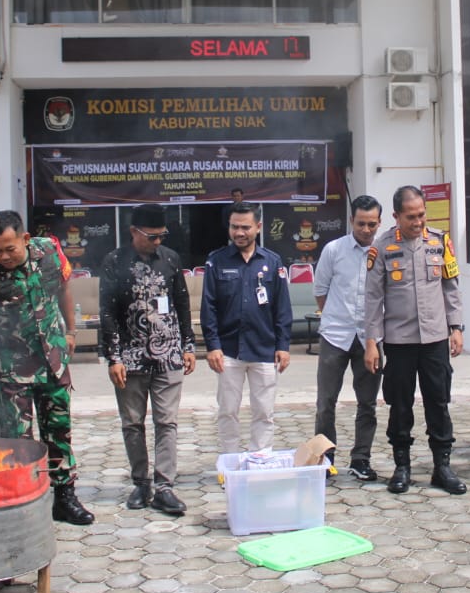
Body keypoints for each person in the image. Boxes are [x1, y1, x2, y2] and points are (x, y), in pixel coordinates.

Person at [0, 210, 95, 525]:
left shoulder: (49, 251)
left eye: (10, 249)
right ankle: (25, 504)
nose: (3, 256)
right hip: (13, 371)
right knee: (17, 442)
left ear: (25, 239)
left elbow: (63, 289)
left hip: (53, 362)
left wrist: (71, 331)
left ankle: (64, 498)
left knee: (59, 433)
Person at [364, 185, 467, 495]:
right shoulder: (382, 247)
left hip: (435, 338)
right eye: (411, 217)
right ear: (396, 216)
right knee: (400, 405)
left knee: (439, 401)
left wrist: (456, 327)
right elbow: (373, 298)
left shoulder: (439, 242)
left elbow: (450, 286)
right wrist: (372, 341)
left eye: (422, 215)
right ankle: (402, 466)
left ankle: (442, 467)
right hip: (399, 341)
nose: (418, 221)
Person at [99, 204, 196, 515]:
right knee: (132, 423)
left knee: (167, 421)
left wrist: (189, 345)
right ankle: (141, 483)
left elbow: (181, 302)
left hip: (168, 354)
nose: (157, 242)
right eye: (151, 237)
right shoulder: (114, 262)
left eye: (161, 236)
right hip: (130, 357)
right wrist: (114, 357)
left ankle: (165, 487)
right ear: (134, 232)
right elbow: (107, 312)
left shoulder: (170, 259)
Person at [201, 202, 293, 453]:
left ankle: (260, 458)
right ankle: (229, 461)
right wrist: (213, 346)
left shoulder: (272, 262)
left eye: (245, 227)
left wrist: (283, 346)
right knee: (228, 410)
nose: (239, 233)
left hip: (264, 349)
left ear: (258, 227)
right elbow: (209, 306)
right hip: (228, 351)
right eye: (234, 227)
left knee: (264, 411)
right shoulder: (216, 261)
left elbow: (282, 308)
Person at [314, 195, 384, 482]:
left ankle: (361, 459)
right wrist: (334, 318)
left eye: (372, 224)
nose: (366, 230)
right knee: (325, 402)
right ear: (351, 220)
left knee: (367, 403)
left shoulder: (384, 251)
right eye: (360, 223)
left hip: (371, 339)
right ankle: (324, 458)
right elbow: (321, 290)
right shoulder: (334, 250)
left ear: (379, 222)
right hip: (335, 335)